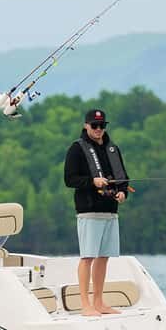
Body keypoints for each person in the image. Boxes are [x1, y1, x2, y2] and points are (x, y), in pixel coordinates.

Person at [64, 108, 131, 316]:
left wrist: (122, 193)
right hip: (89, 211)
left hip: (110, 211)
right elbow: (70, 179)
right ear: (86, 126)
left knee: (104, 257)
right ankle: (85, 305)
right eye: (94, 125)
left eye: (102, 125)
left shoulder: (113, 148)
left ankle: (99, 302)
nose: (99, 129)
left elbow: (123, 178)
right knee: (88, 257)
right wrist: (92, 181)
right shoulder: (77, 149)